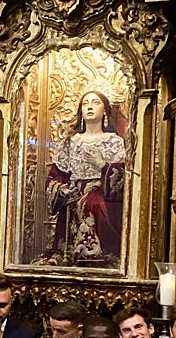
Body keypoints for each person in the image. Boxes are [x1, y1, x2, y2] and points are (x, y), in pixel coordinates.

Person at [43, 90, 126, 267]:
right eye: (85, 103)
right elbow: (55, 175)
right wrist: (61, 188)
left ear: (105, 110)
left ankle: (94, 255)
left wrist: (102, 165)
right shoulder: (70, 141)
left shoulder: (114, 142)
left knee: (91, 202)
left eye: (95, 102)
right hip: (73, 196)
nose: (89, 106)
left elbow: (123, 179)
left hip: (100, 199)